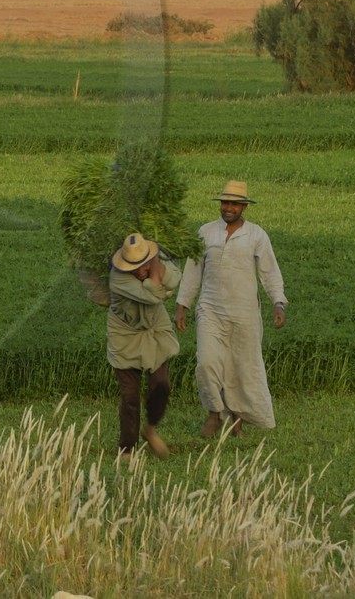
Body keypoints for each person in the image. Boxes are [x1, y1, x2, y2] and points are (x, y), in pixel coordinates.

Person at [175, 180, 287, 436]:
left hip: (244, 313)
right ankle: (214, 413)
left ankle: (237, 420)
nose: (228, 207)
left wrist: (278, 303)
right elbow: (192, 271)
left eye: (234, 204)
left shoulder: (256, 235)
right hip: (210, 309)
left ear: (244, 207)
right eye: (225, 202)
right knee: (206, 363)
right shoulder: (205, 232)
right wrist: (182, 305)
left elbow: (270, 272)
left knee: (240, 367)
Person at [107, 232, 182, 457]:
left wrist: (156, 261)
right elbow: (153, 296)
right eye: (135, 268)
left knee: (162, 384)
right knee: (130, 395)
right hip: (125, 334)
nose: (140, 271)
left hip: (155, 329)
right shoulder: (118, 278)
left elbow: (175, 278)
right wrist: (155, 269)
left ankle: (150, 429)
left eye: (144, 264)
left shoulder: (154, 261)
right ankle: (127, 448)